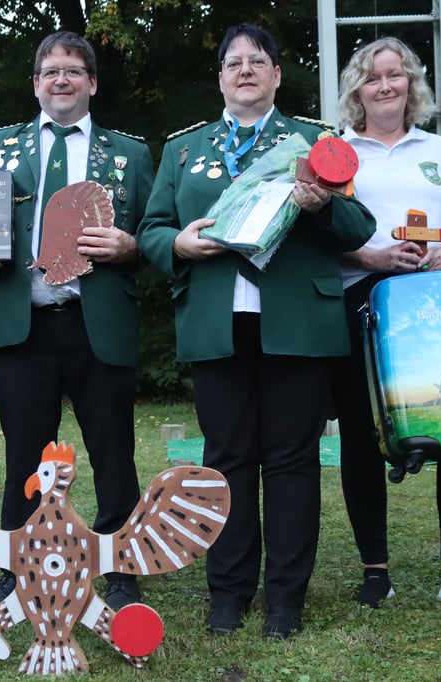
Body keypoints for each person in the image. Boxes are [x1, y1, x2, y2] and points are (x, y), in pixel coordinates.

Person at [136, 23, 376, 639]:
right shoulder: (184, 149)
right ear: (220, 77)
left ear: (275, 75)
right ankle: (229, 593)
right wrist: (180, 245)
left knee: (292, 463)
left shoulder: (314, 141)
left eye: (258, 61)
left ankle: (285, 600)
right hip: (217, 325)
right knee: (226, 462)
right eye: (233, 62)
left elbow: (356, 228)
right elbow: (153, 230)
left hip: (296, 324)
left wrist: (324, 204)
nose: (245, 70)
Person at [0, 31, 154, 612]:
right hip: (24, 323)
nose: (62, 79)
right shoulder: (1, 146)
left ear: (92, 82)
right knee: (24, 455)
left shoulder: (130, 154)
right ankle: (18, 568)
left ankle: (121, 567)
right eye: (51, 71)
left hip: (97, 320)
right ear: (35, 83)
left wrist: (131, 244)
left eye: (74, 70)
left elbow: (158, 230)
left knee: (114, 452)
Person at [333, 37, 441, 611]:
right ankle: (374, 573)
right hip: (362, 301)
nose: (385, 86)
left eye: (395, 75)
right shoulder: (335, 151)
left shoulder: (439, 149)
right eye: (372, 78)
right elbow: (321, 237)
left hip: (438, 304)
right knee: (363, 435)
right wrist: (371, 258)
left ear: (412, 83)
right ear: (356, 91)